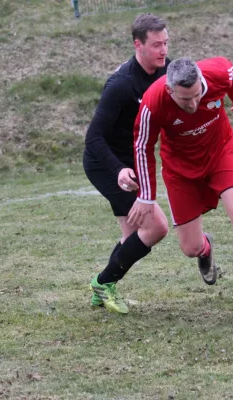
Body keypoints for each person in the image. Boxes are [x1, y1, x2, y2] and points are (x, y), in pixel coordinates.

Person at [128, 57, 233, 324]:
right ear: (170, 91)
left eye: (197, 96)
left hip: (221, 153)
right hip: (181, 171)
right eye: (184, 100)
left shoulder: (217, 73)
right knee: (190, 248)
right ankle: (205, 248)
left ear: (202, 81)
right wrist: (145, 196)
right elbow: (142, 147)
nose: (193, 104)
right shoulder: (152, 103)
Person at [83, 13, 170, 314]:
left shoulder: (166, 72)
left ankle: (102, 290)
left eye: (166, 43)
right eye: (157, 45)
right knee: (157, 226)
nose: (163, 50)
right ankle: (102, 282)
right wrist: (118, 169)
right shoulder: (120, 85)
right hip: (105, 164)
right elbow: (93, 138)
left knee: (132, 236)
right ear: (138, 45)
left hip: (135, 164)